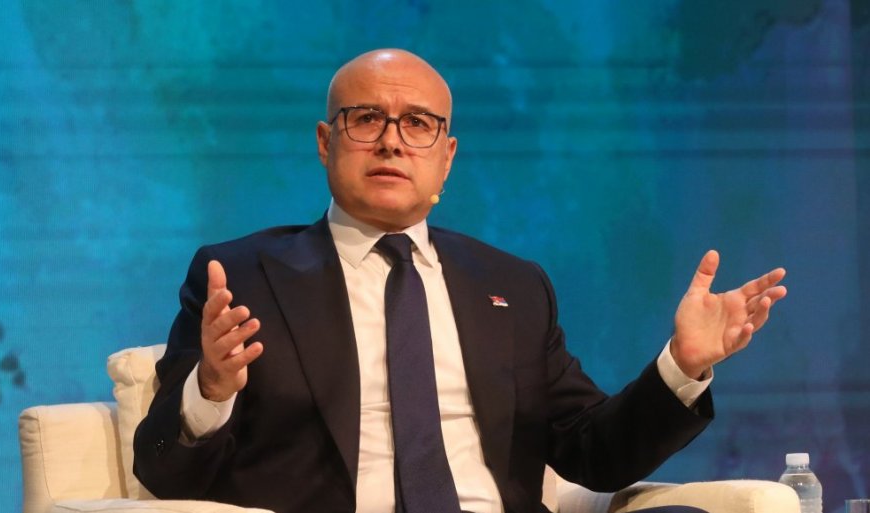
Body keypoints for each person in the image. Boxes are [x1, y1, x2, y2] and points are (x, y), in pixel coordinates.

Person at [133, 49, 787, 513]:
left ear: (446, 158)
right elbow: (163, 472)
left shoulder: (511, 286)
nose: (392, 142)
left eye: (418, 124)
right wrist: (209, 390)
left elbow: (594, 454)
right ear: (326, 142)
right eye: (367, 119)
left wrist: (681, 367)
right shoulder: (241, 276)